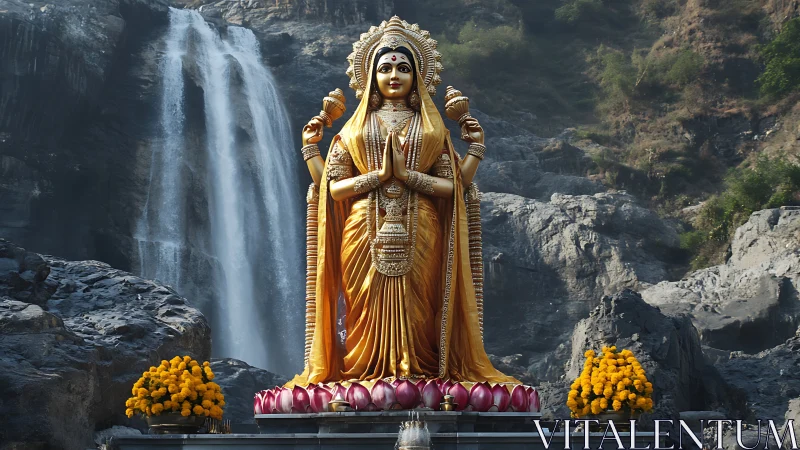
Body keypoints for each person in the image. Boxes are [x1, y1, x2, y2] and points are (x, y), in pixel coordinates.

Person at [289, 16, 519, 387]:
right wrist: (370, 174)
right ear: (370, 77)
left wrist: (466, 151)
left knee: (421, 308)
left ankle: (422, 371)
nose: (393, 75)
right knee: (364, 306)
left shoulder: (430, 127)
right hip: (363, 229)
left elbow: (453, 188)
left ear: (416, 77)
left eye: (403, 68)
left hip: (422, 227)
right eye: (384, 68)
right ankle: (364, 374)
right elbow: (332, 189)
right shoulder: (353, 128)